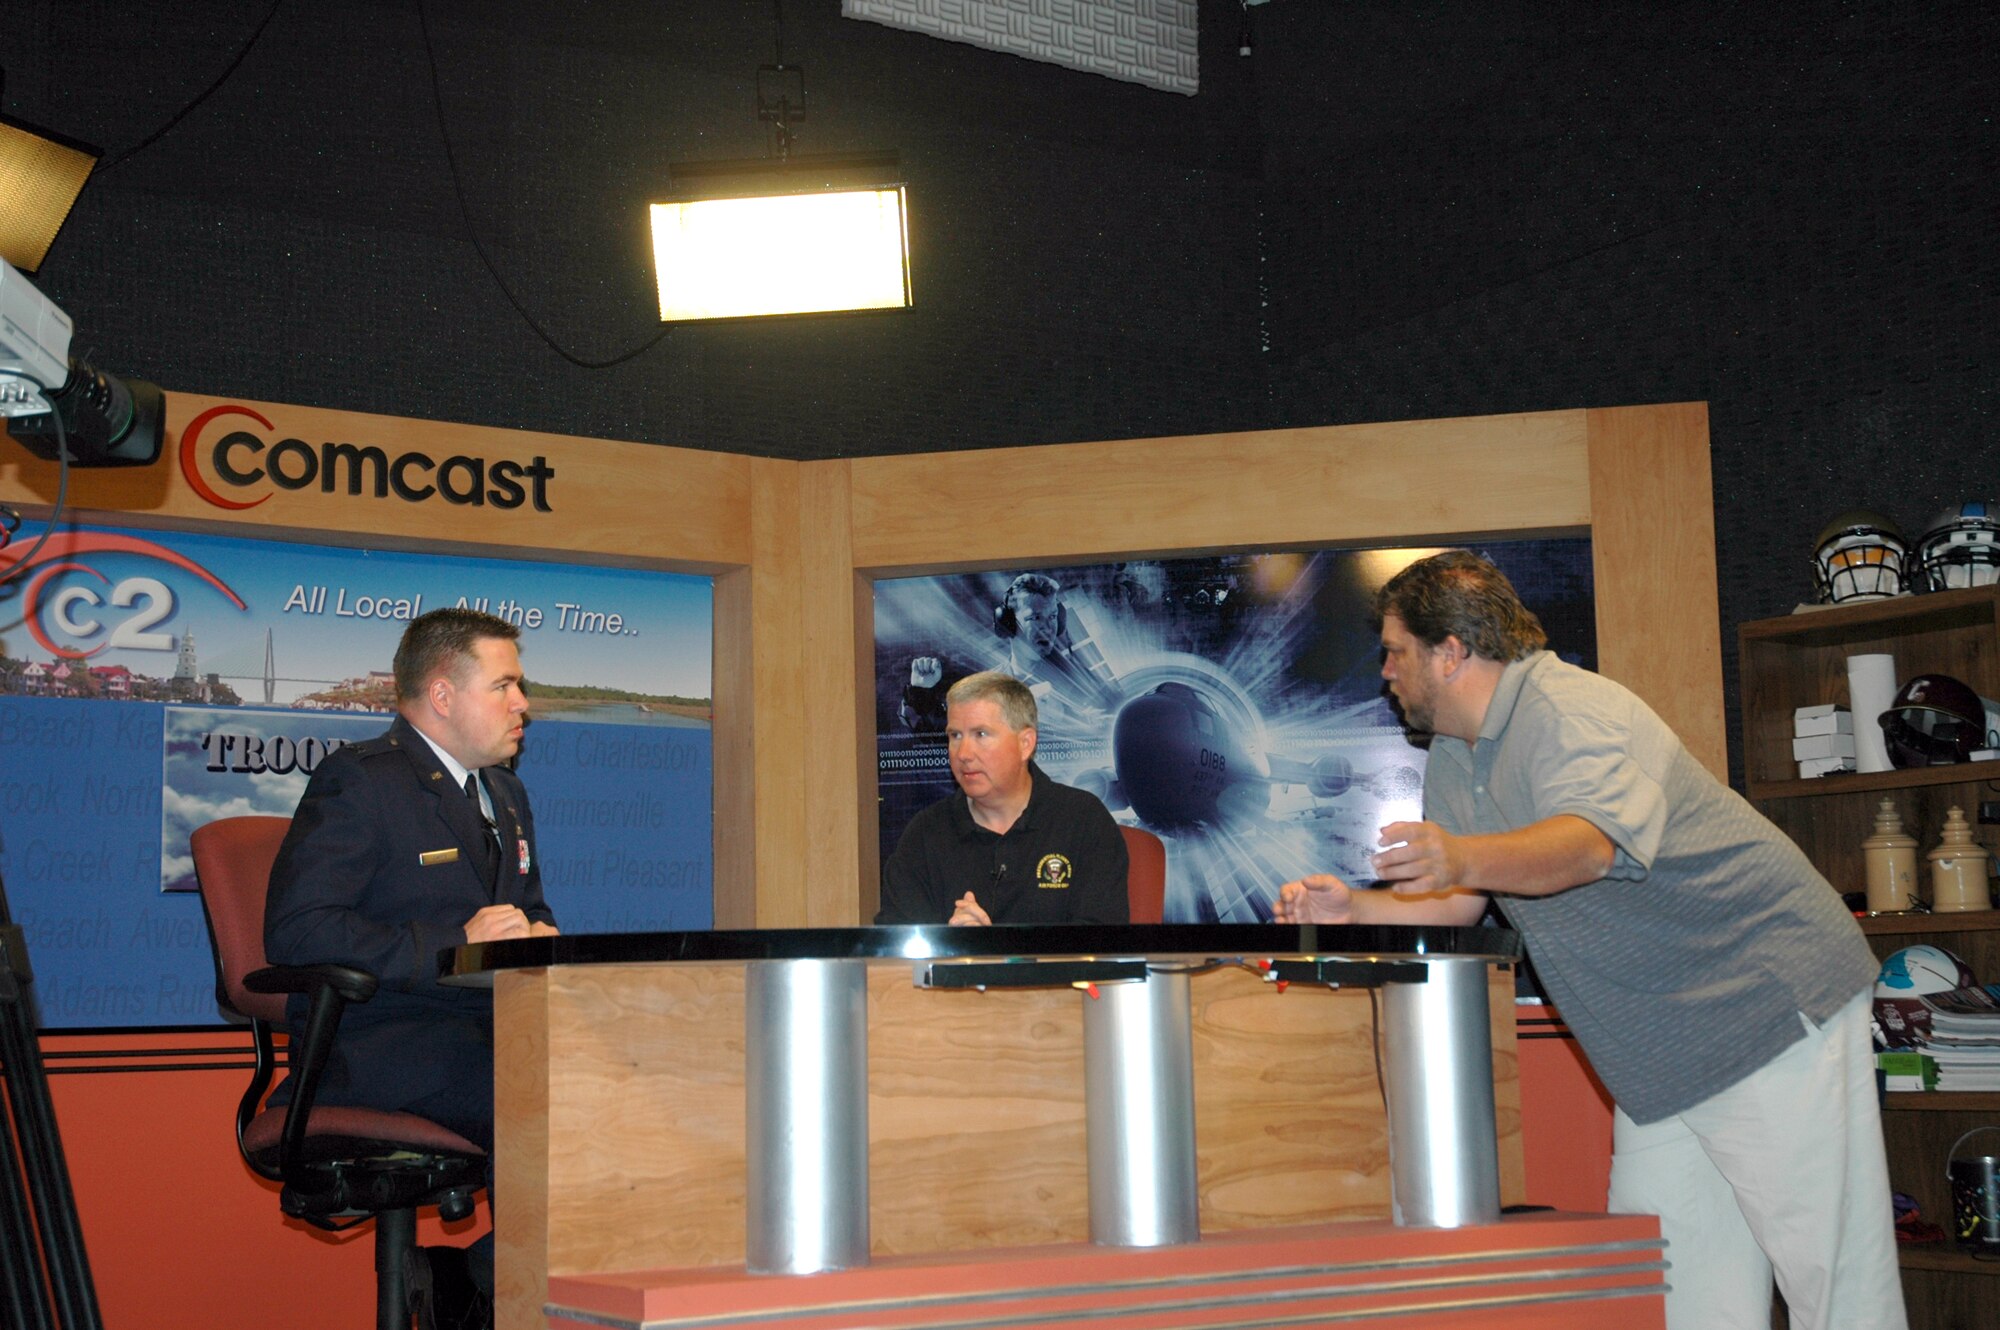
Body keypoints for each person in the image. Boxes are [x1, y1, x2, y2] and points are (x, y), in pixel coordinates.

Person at [1274, 551, 1901, 1330]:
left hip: (1763, 1006)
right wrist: (1354, 911)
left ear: (1451, 651)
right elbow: (1456, 904)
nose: (1386, 671)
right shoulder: (1453, 756)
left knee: (1835, 1282)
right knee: (1681, 1296)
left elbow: (1589, 846)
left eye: (1396, 651)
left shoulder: (1568, 709)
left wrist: (1462, 855)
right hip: (1660, 1056)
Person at [266, 607, 557, 1330]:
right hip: (382, 1041)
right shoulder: (362, 781)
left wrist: (540, 937)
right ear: (443, 694)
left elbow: (527, 909)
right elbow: (299, 931)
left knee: (624, 1088)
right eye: (505, 686)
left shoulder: (506, 794)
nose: (523, 704)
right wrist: (453, 942)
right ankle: (490, 1290)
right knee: (550, 1105)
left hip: (489, 1032)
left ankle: (475, 1278)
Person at [876, 670, 1129, 926]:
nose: (963, 754)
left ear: (1025, 743)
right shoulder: (926, 833)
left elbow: (1102, 942)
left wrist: (993, 946)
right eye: (955, 736)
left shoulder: (1084, 821)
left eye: (981, 735)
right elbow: (896, 942)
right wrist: (951, 942)